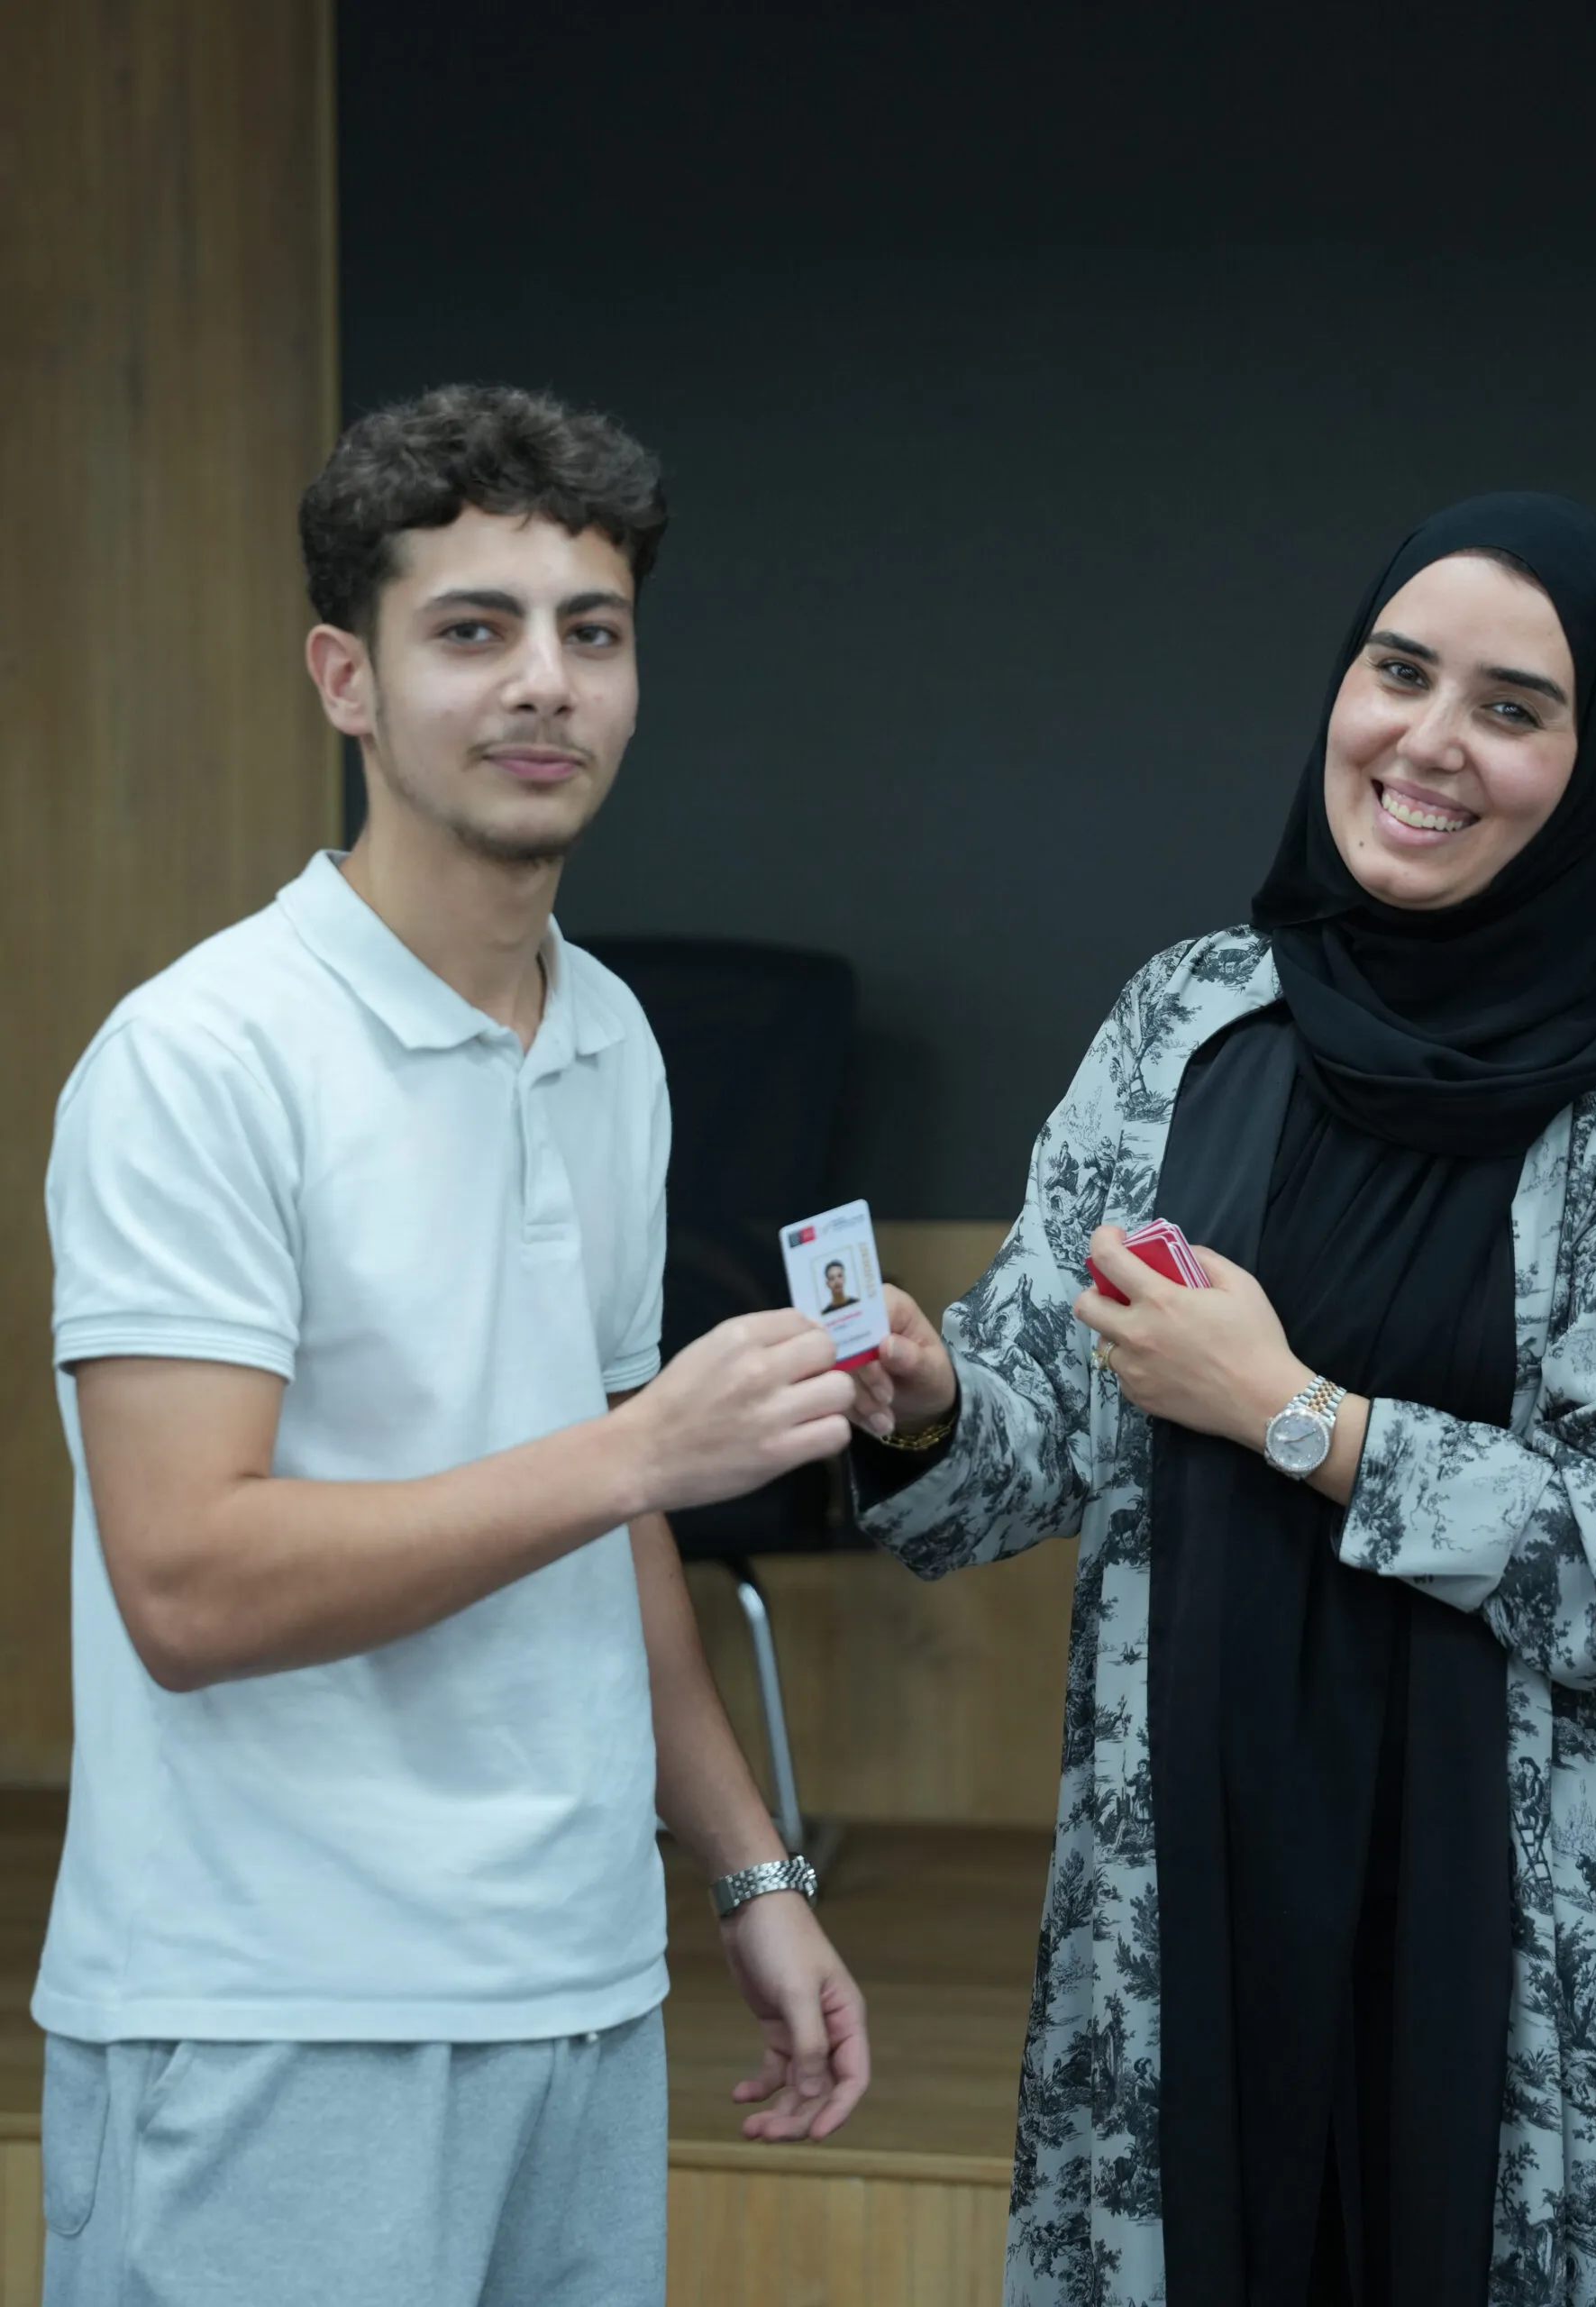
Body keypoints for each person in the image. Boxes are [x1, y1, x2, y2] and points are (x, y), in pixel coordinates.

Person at [848, 495, 1596, 2306]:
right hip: (1203, 1887)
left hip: (1514, 1938)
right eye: (1398, 672)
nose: (1428, 741)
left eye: (1512, 708)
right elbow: (1042, 1420)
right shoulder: (1190, 1021)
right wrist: (923, 1398)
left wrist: (1293, 1410)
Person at [36, 385, 869, 2307]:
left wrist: (748, 1870)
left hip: (578, 1992)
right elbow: (186, 1585)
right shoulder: (201, 1057)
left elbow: (608, 1517)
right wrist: (640, 1446)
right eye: (473, 629)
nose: (545, 682)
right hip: (272, 2014)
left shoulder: (614, 1039)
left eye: (593, 631)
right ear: (347, 676)